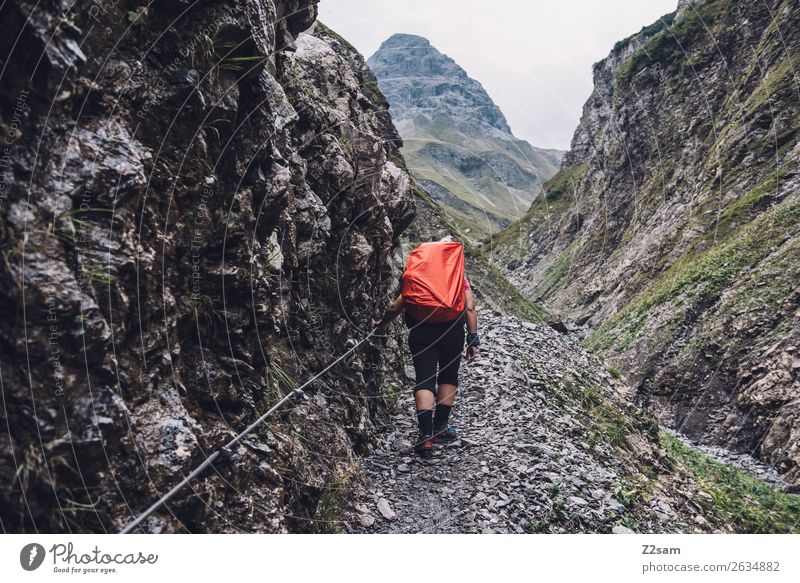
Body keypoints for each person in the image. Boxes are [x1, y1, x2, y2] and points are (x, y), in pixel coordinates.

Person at [376, 272, 480, 456]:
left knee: (425, 379)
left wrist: (381, 325)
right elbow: (470, 308)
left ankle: (425, 437)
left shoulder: (417, 275)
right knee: (448, 377)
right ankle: (440, 427)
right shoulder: (458, 277)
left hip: (421, 333)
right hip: (452, 333)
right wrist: (472, 338)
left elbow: (395, 307)